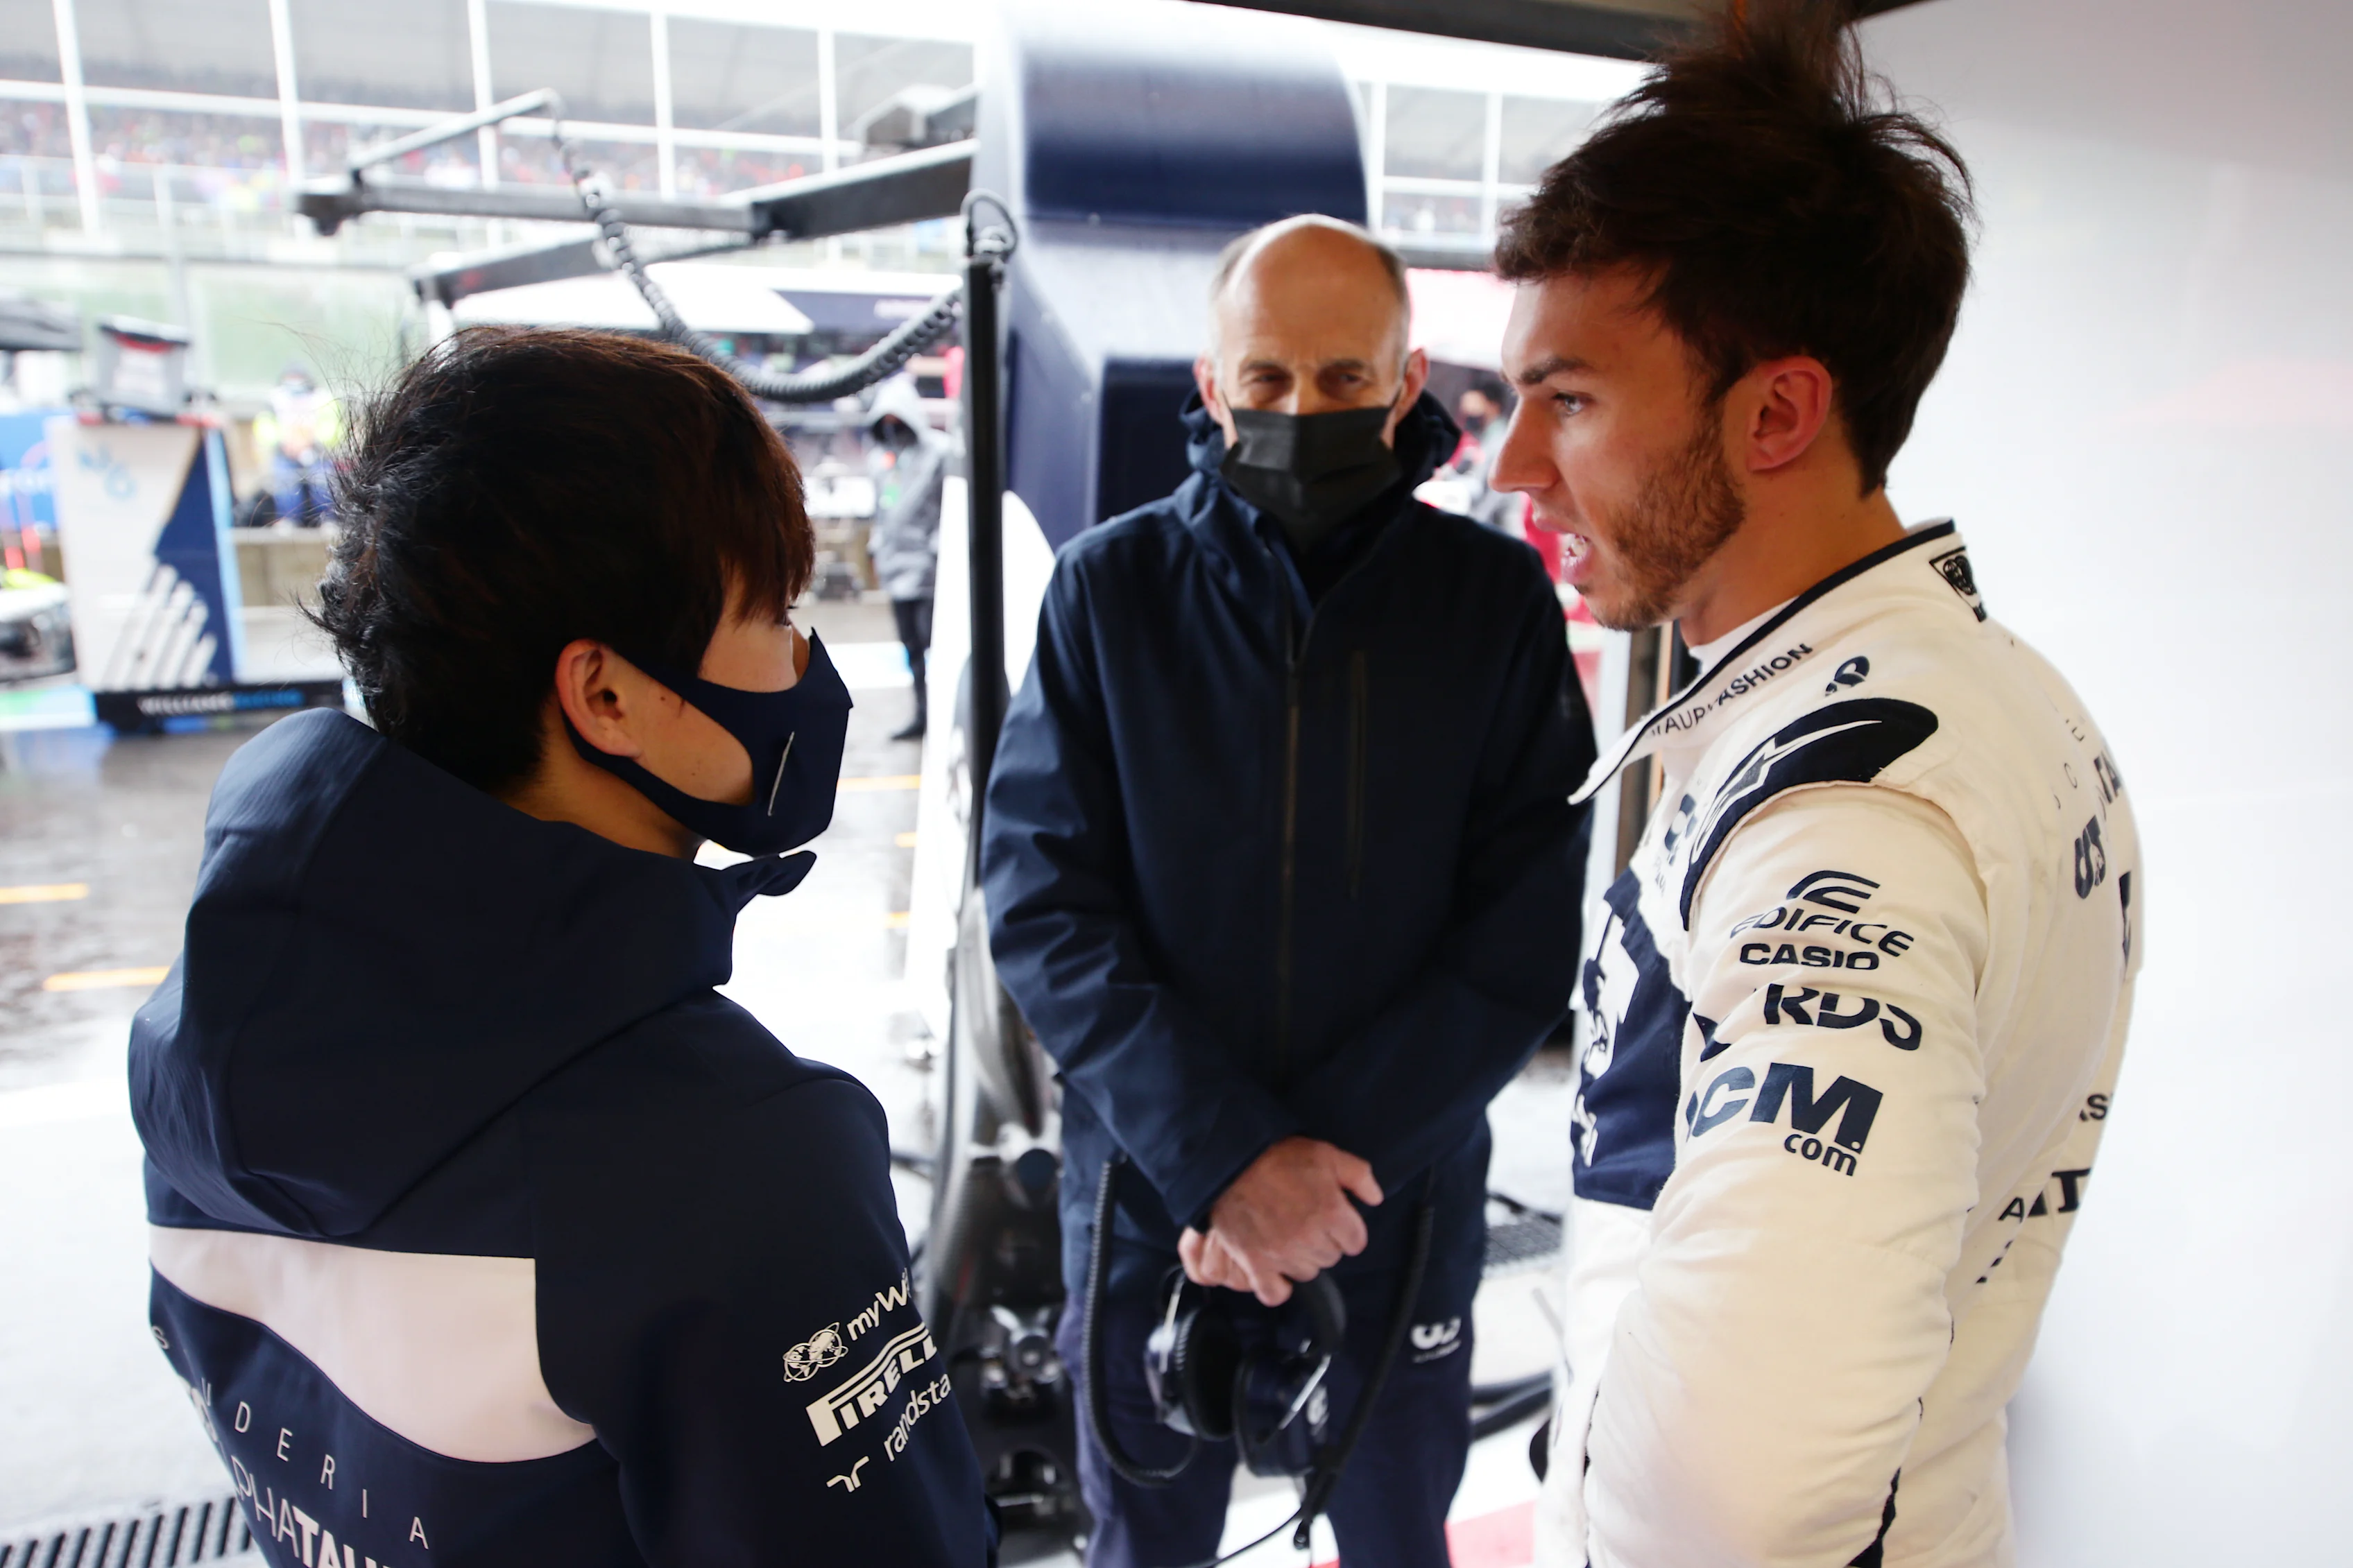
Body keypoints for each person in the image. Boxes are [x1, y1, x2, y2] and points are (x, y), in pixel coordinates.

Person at [129, 329, 994, 1568]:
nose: (807, 663)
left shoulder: (191, 1040)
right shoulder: (738, 1163)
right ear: (606, 696)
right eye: (777, 612)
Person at [1487, 8, 2141, 1566]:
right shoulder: (1969, 681)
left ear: (1777, 412)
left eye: (1568, 398)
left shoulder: (1846, 812)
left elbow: (1741, 1487)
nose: (1514, 462)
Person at [981, 215, 1596, 1568]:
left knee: (1393, 1530)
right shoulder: (1109, 593)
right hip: (1161, 1197)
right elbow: (1039, 895)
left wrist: (1315, 1183)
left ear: (1402, 379)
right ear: (1212, 384)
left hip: (1390, 1197)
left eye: (1338, 378)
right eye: (1265, 380)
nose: (1299, 408)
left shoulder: (1491, 603)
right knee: (1144, 1537)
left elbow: (1524, 925)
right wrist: (1224, 1160)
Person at [867, 375, 946, 741]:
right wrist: (877, 549)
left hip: (931, 570)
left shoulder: (939, 453)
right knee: (912, 650)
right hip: (897, 569)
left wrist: (937, 550)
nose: (892, 428)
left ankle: (944, 714)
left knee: (939, 647)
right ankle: (922, 714)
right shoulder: (883, 462)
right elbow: (880, 512)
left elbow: (951, 507)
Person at [252, 363, 340, 526]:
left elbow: (332, 427)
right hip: (286, 452)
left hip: (316, 453)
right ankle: (289, 519)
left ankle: (327, 519)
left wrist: (310, 443)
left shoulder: (322, 399)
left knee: (323, 479)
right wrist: (284, 443)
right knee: (284, 481)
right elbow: (264, 427)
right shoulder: (274, 401)